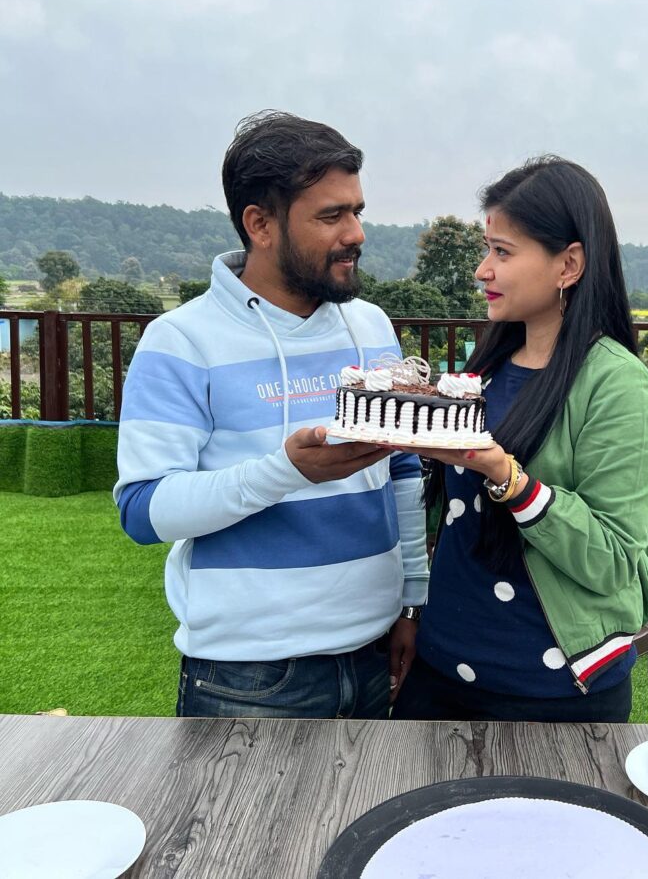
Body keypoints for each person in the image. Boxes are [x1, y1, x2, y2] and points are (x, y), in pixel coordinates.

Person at [114, 111, 428, 719]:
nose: (357, 232)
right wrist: (285, 470)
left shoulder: (371, 326)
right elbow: (143, 511)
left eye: (357, 210)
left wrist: (412, 600)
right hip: (250, 676)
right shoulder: (180, 341)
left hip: (375, 651)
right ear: (260, 223)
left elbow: (404, 474)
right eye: (331, 216)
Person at [392, 156, 648, 723]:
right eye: (486, 248)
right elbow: (457, 525)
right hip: (441, 672)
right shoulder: (488, 367)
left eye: (502, 251)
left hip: (551, 692)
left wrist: (509, 478)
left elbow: (618, 561)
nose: (481, 270)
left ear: (569, 264)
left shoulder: (617, 385)